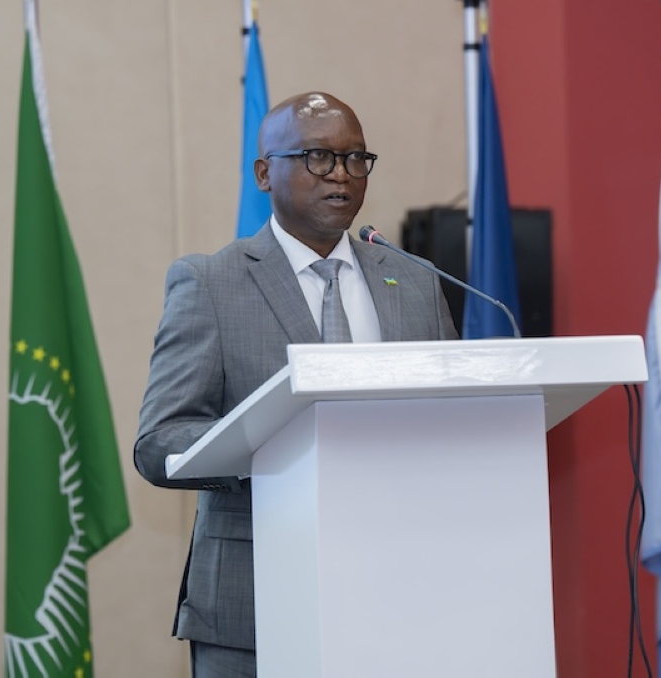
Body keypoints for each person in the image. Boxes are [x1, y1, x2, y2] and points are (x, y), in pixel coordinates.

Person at [134, 92, 459, 677]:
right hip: (254, 602)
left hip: (398, 595)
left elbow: (451, 420)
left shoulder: (413, 282)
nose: (341, 174)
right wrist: (276, 452)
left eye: (357, 159)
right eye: (317, 157)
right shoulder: (211, 283)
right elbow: (160, 441)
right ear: (265, 173)